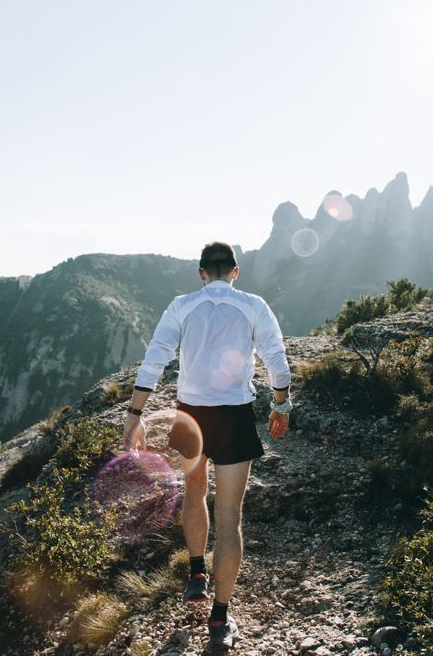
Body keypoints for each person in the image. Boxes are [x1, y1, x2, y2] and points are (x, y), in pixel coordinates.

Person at [122, 241, 292, 651]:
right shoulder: (253, 304)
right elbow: (276, 358)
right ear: (235, 271)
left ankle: (196, 572)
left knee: (194, 493)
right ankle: (220, 618)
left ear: (201, 273)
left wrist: (134, 415)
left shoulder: (181, 306)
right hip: (233, 416)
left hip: (190, 416)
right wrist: (281, 405)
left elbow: (154, 359)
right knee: (230, 513)